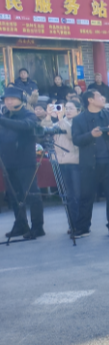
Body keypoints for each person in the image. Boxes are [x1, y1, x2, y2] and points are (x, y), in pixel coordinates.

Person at [72, 89, 109, 236]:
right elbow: (76, 140)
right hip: (89, 163)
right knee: (86, 196)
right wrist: (91, 135)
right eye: (99, 96)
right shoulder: (79, 119)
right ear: (90, 100)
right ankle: (83, 227)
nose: (103, 98)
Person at [0, 85, 43, 238]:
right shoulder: (5, 115)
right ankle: (21, 225)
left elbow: (26, 126)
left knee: (31, 194)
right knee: (14, 195)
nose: (8, 102)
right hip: (7, 161)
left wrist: (2, 120)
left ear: (21, 100)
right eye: (6, 99)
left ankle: (37, 226)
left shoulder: (28, 114)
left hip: (25, 161)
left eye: (12, 99)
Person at [48, 101, 81, 227]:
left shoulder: (78, 123)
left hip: (74, 162)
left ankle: (79, 224)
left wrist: (61, 118)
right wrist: (48, 116)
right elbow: (43, 131)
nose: (67, 111)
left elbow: (71, 134)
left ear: (78, 110)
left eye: (70, 108)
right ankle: (72, 224)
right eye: (65, 108)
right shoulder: (59, 122)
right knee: (67, 195)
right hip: (60, 162)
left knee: (75, 195)